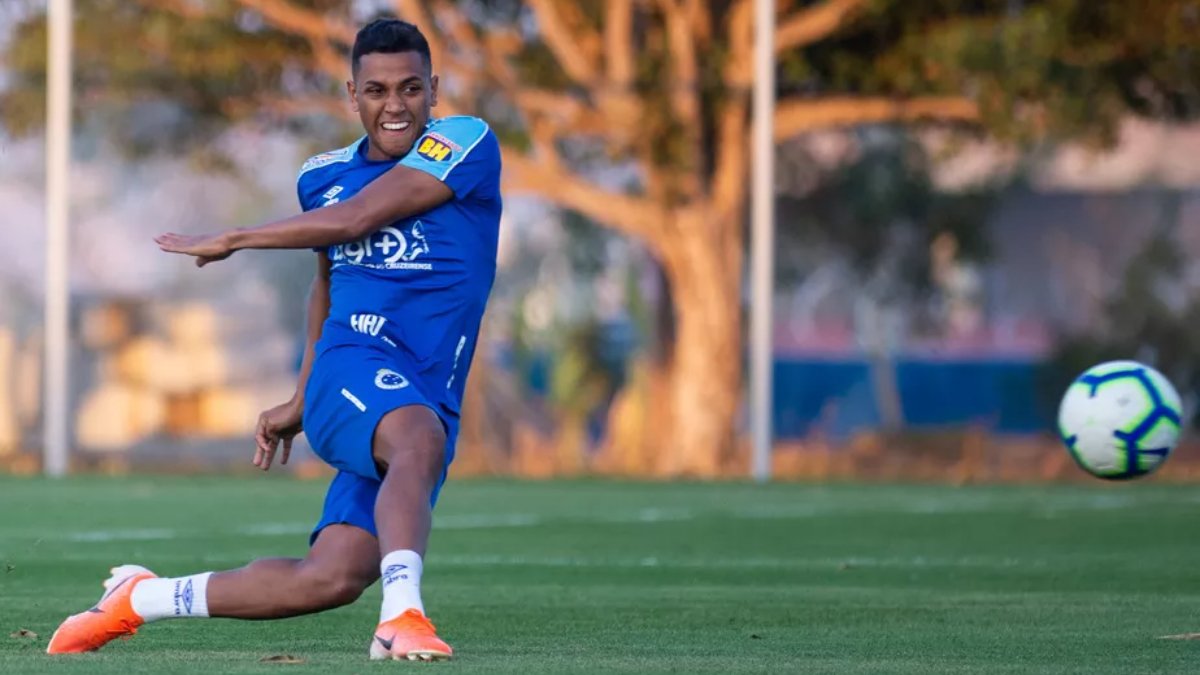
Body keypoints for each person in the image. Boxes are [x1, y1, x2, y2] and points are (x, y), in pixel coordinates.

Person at [46, 18, 502, 662]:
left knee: (331, 577)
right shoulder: (323, 174)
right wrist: (305, 390)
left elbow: (361, 218)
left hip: (426, 389)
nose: (393, 106)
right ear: (352, 95)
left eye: (409, 89)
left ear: (435, 89)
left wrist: (237, 238)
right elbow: (329, 285)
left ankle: (137, 598)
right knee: (416, 437)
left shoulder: (465, 141)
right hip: (358, 368)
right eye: (376, 91)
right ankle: (402, 617)